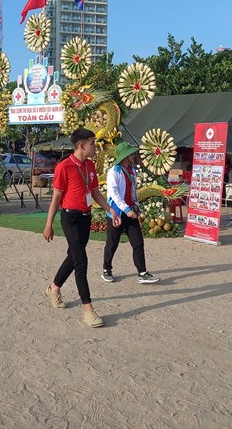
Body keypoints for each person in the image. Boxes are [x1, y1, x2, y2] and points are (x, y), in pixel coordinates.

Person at [42, 128, 121, 328]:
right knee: (81, 262)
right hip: (70, 218)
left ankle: (53, 288)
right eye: (93, 143)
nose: (96, 146)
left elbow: (95, 192)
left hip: (86, 218)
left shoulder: (90, 166)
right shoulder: (64, 167)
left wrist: (110, 210)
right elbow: (56, 199)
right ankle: (88, 310)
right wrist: (48, 224)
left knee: (74, 257)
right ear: (82, 145)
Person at [101, 142, 160, 284]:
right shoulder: (114, 171)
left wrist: (136, 206)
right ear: (125, 156)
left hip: (131, 211)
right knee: (112, 242)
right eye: (132, 154)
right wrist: (125, 209)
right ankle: (106, 269)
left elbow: (133, 191)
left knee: (138, 242)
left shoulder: (132, 171)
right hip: (116, 212)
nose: (134, 156)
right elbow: (114, 194)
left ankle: (142, 272)